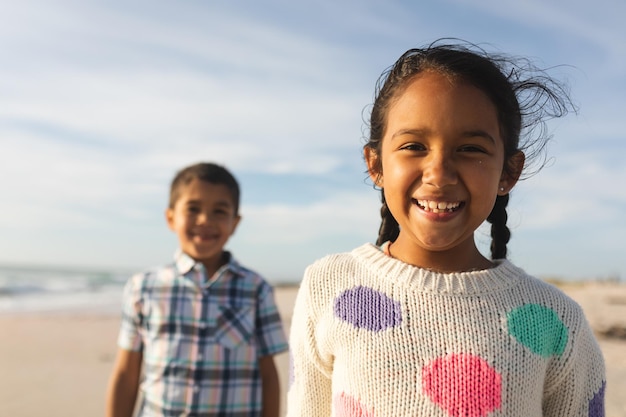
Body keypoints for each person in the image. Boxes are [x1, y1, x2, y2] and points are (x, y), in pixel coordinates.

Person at [287, 40, 606, 417]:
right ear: (376, 165)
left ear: (509, 171)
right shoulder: (329, 287)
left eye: (470, 149)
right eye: (413, 146)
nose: (438, 173)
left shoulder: (555, 319)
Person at [106, 162, 288, 417]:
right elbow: (126, 373)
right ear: (170, 217)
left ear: (235, 223)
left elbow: (268, 374)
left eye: (219, 211)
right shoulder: (143, 287)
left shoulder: (256, 289)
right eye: (193, 209)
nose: (205, 220)